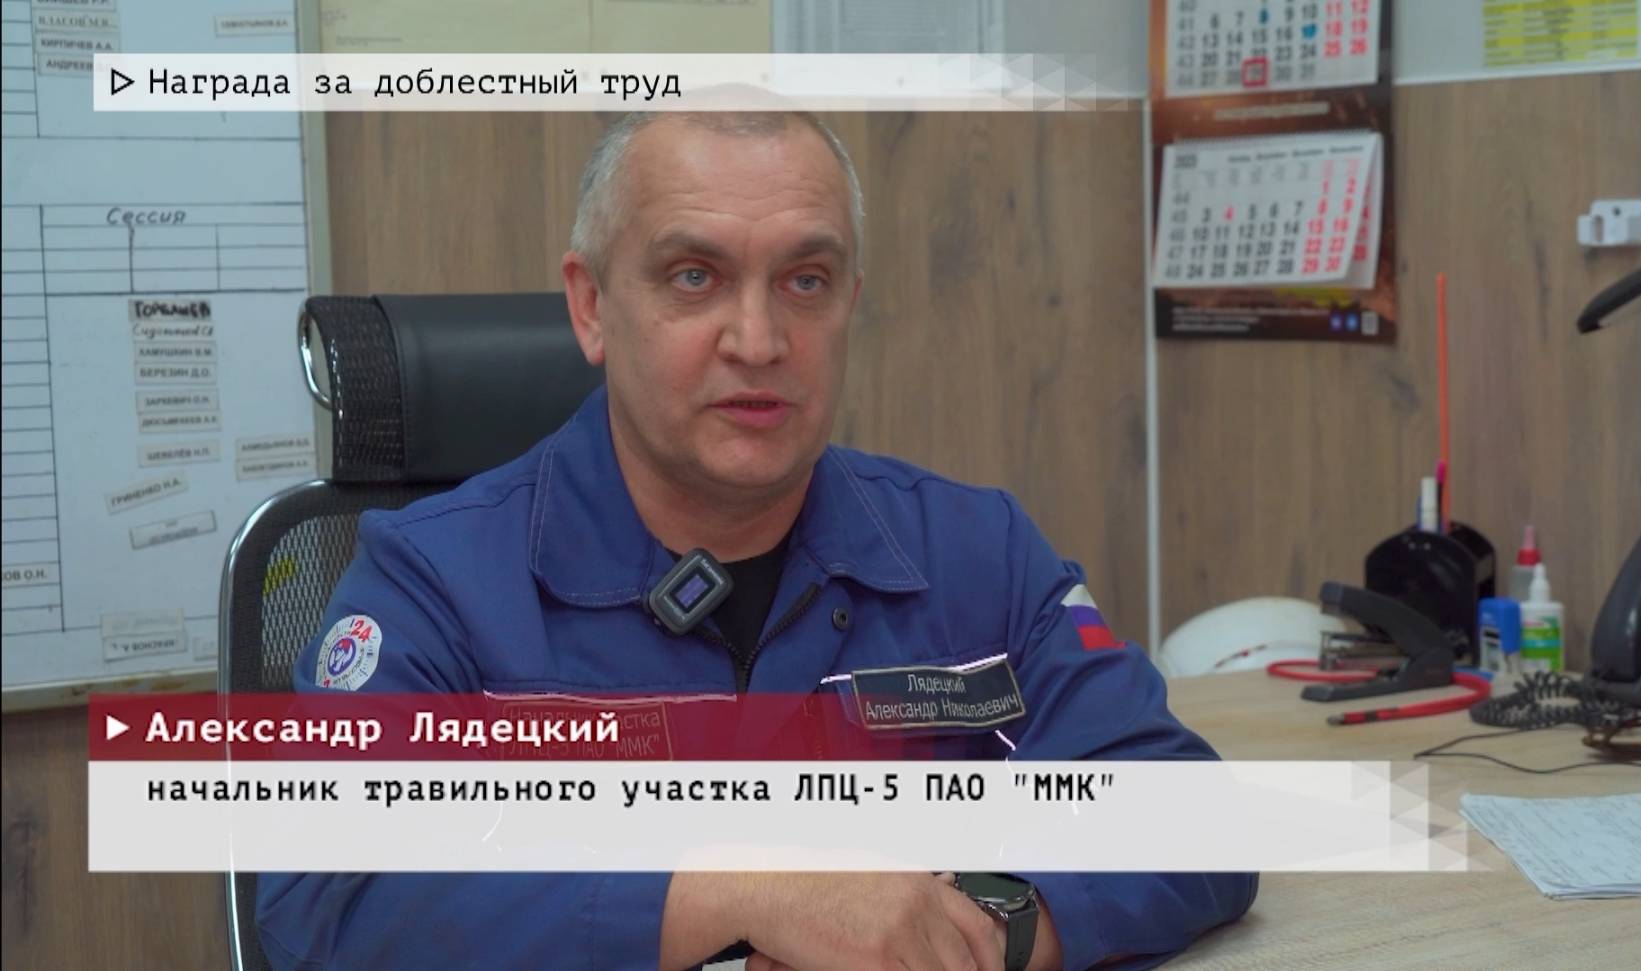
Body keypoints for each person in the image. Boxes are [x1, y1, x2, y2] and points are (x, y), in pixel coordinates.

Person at [256, 111, 1256, 971]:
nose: (758, 339)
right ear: (592, 305)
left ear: (850, 301)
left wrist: (972, 924)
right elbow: (329, 895)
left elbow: (1181, 809)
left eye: (805, 280)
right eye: (694, 276)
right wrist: (732, 892)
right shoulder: (433, 582)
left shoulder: (974, 550)